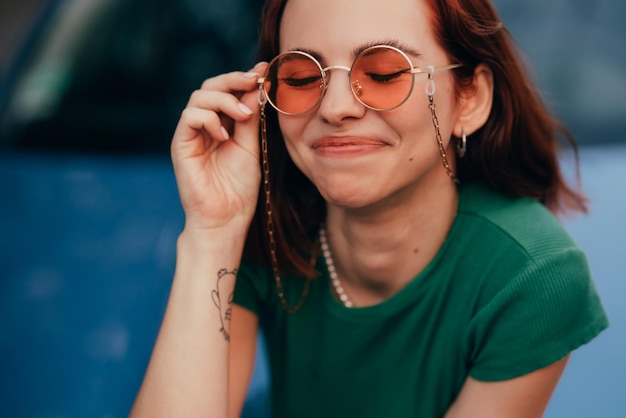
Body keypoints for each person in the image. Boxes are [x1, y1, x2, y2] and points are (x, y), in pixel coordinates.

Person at [130, 0, 609, 416]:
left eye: (383, 73)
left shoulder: (532, 275)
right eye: (301, 77)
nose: (335, 106)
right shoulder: (266, 221)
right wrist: (214, 232)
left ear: (470, 98)